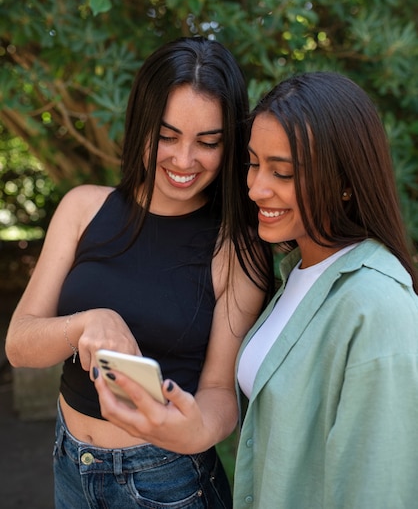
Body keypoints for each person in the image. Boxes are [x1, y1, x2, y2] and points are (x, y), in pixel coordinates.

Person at [5, 36, 274, 509]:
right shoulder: (83, 208)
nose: (184, 160)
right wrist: (86, 323)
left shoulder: (236, 246)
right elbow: (19, 344)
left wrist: (192, 430)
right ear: (140, 124)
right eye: (167, 136)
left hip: (166, 480)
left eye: (207, 142)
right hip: (70, 462)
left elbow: (219, 393)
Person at [232, 71, 418, 508]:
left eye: (282, 172)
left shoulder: (378, 306)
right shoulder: (298, 270)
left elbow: (380, 489)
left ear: (347, 183)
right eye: (254, 163)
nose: (257, 188)